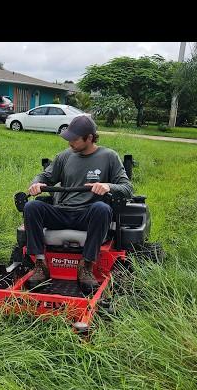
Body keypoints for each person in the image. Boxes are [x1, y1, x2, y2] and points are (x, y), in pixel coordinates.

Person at [24, 115, 133, 292]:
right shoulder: (64, 157)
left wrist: (107, 186)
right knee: (32, 207)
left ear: (89, 138)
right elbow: (45, 176)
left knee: (102, 208)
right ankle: (40, 262)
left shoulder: (109, 157)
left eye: (74, 139)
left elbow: (127, 188)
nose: (69, 143)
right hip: (62, 212)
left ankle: (86, 265)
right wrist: (36, 183)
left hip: (88, 215)